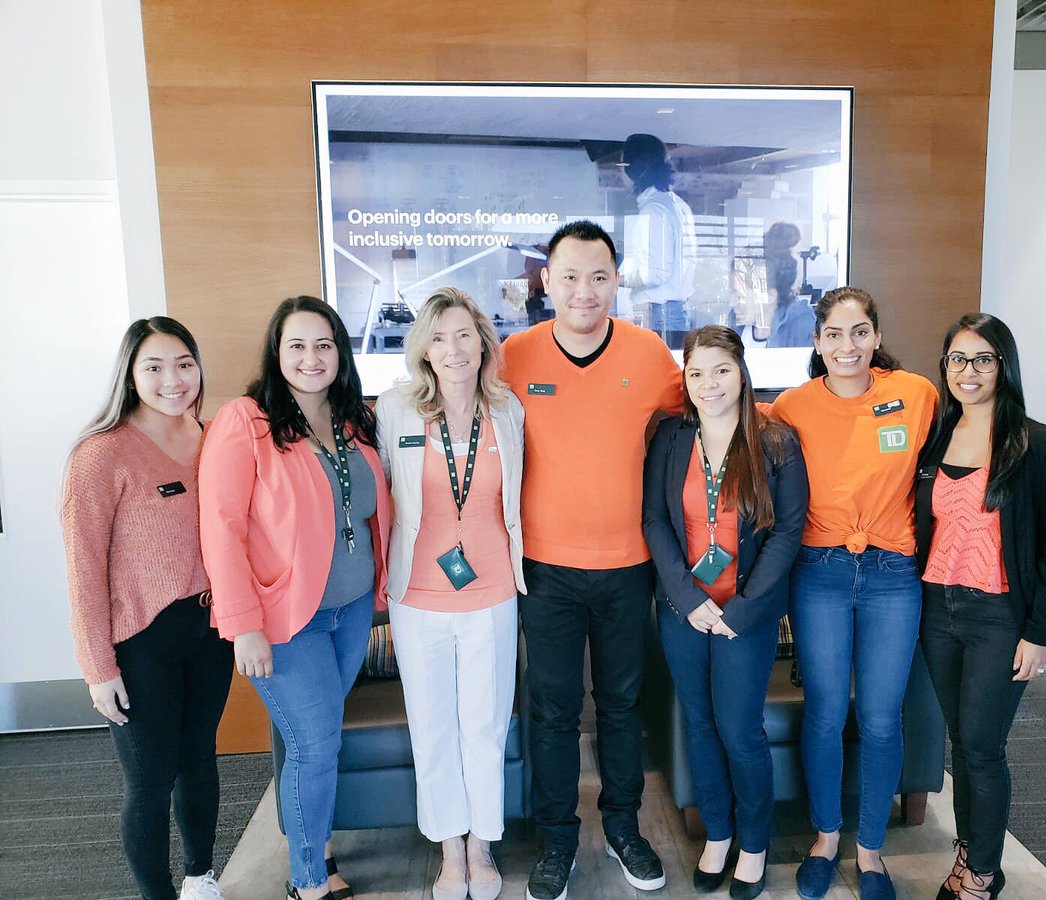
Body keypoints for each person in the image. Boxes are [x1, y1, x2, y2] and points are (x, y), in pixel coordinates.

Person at [502, 220, 683, 900]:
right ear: (546, 281)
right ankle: (556, 840)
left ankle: (623, 827)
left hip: (628, 564)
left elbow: (702, 421)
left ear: (617, 280)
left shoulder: (650, 353)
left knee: (621, 705)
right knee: (551, 709)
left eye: (598, 276)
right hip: (543, 568)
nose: (584, 291)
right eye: (570, 276)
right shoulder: (512, 356)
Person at [199, 296, 392, 900]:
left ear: (341, 352)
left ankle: (319, 843)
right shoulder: (245, 421)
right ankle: (309, 881)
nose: (312, 358)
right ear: (277, 353)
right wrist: (242, 625)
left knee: (318, 739)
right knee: (316, 742)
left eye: (325, 345)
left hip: (352, 608)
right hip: (285, 621)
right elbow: (221, 527)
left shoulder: (354, 419)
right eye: (298, 346)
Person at [768, 287, 938, 900]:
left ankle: (871, 852)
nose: (848, 346)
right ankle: (825, 838)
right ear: (817, 341)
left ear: (876, 335)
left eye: (859, 331)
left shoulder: (915, 394)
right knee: (824, 711)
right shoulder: (790, 407)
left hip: (894, 574)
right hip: (820, 573)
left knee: (881, 717)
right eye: (834, 335)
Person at [60, 317, 232, 900]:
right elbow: (83, 570)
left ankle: (201, 877)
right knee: (150, 781)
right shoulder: (100, 455)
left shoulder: (214, 439)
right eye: (154, 367)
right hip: (140, 642)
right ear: (130, 375)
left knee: (200, 761)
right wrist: (97, 668)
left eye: (184, 363)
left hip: (210, 631)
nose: (172, 379)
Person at [643, 325, 808, 900]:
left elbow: (789, 531)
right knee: (699, 722)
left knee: (740, 730)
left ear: (741, 372)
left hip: (746, 614)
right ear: (684, 380)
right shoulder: (669, 439)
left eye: (721, 370)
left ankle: (755, 843)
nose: (709, 384)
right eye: (696, 373)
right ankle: (718, 833)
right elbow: (655, 523)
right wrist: (689, 601)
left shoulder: (776, 442)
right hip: (683, 611)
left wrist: (742, 608)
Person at [374, 288, 525, 900]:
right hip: (418, 595)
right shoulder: (394, 410)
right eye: (439, 337)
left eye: (464, 335)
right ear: (424, 350)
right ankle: (450, 852)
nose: (454, 349)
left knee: (484, 727)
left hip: (491, 591)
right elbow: (383, 492)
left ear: (483, 343)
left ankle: (483, 845)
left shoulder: (508, 410)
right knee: (432, 727)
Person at [916, 314, 1046, 900]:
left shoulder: (1037, 443)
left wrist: (1040, 633)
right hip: (938, 609)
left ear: (1003, 365)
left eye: (982, 359)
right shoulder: (937, 436)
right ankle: (972, 854)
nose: (968, 371)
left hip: (999, 617)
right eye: (957, 359)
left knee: (983, 747)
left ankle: (979, 874)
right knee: (962, 741)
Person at [619, 133, 698, 350]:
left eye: (623, 164)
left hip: (657, 313)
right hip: (672, 311)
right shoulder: (676, 204)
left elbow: (654, 273)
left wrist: (614, 278)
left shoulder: (653, 210)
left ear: (634, 169)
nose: (620, 170)